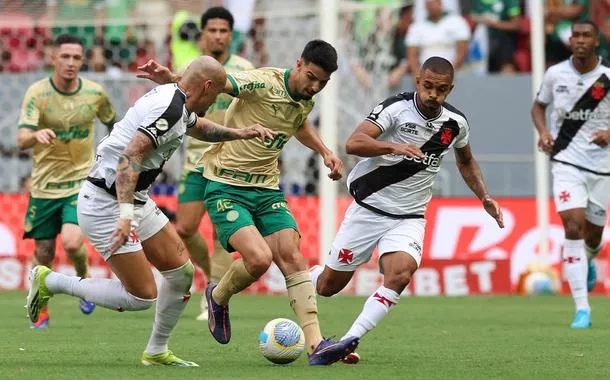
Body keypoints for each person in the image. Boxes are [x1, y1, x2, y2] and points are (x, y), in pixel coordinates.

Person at [26, 56, 275, 366]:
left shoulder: (178, 101)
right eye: (219, 93)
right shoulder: (170, 107)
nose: (219, 99)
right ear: (208, 86)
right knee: (141, 296)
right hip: (108, 203)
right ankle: (51, 281)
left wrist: (240, 132)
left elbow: (199, 128)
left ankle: (156, 352)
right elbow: (130, 157)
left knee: (181, 273)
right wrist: (125, 215)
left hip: (132, 198)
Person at [137, 39, 359, 365]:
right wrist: (171, 77)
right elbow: (213, 83)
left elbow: (297, 122)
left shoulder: (304, 99)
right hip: (226, 186)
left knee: (292, 256)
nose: (314, 87)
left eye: (322, 83)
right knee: (258, 259)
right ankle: (217, 295)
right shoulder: (261, 82)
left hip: (267, 189)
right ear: (298, 63)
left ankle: (316, 345)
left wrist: (325, 151)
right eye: (311, 77)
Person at [309, 56, 504, 364]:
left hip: (409, 217)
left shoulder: (455, 124)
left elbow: (465, 161)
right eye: (428, 86)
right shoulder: (395, 109)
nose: (433, 95)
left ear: (450, 89)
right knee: (327, 287)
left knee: (399, 274)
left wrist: (484, 196)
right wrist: (394, 146)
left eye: (441, 90)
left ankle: (348, 339)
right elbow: (354, 143)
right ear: (417, 82)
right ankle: (307, 277)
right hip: (369, 206)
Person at [17, 34, 117, 328]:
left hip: (80, 183)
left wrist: (111, 156)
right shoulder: (37, 93)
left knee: (73, 242)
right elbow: (21, 137)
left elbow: (115, 124)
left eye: (76, 57)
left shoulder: (96, 93)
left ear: (82, 60)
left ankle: (83, 280)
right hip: (44, 187)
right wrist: (35, 135)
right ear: (53, 58)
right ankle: (42, 307)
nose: (71, 63)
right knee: (44, 253)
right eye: (65, 57)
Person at [175, 6, 255, 322]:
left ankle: (212, 294)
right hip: (195, 158)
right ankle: (213, 275)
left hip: (231, 160)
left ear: (230, 35)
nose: (218, 35)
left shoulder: (245, 69)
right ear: (203, 34)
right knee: (185, 227)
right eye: (213, 30)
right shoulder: (189, 68)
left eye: (224, 31)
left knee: (222, 232)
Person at [531, 20, 610, 329]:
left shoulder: (607, 78)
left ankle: (589, 259)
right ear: (570, 40)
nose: (580, 40)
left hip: (603, 167)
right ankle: (582, 310)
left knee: (592, 235)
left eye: (586, 35)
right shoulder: (555, 74)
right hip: (565, 160)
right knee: (573, 226)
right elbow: (538, 107)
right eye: (575, 35)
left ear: (596, 40)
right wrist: (543, 131)